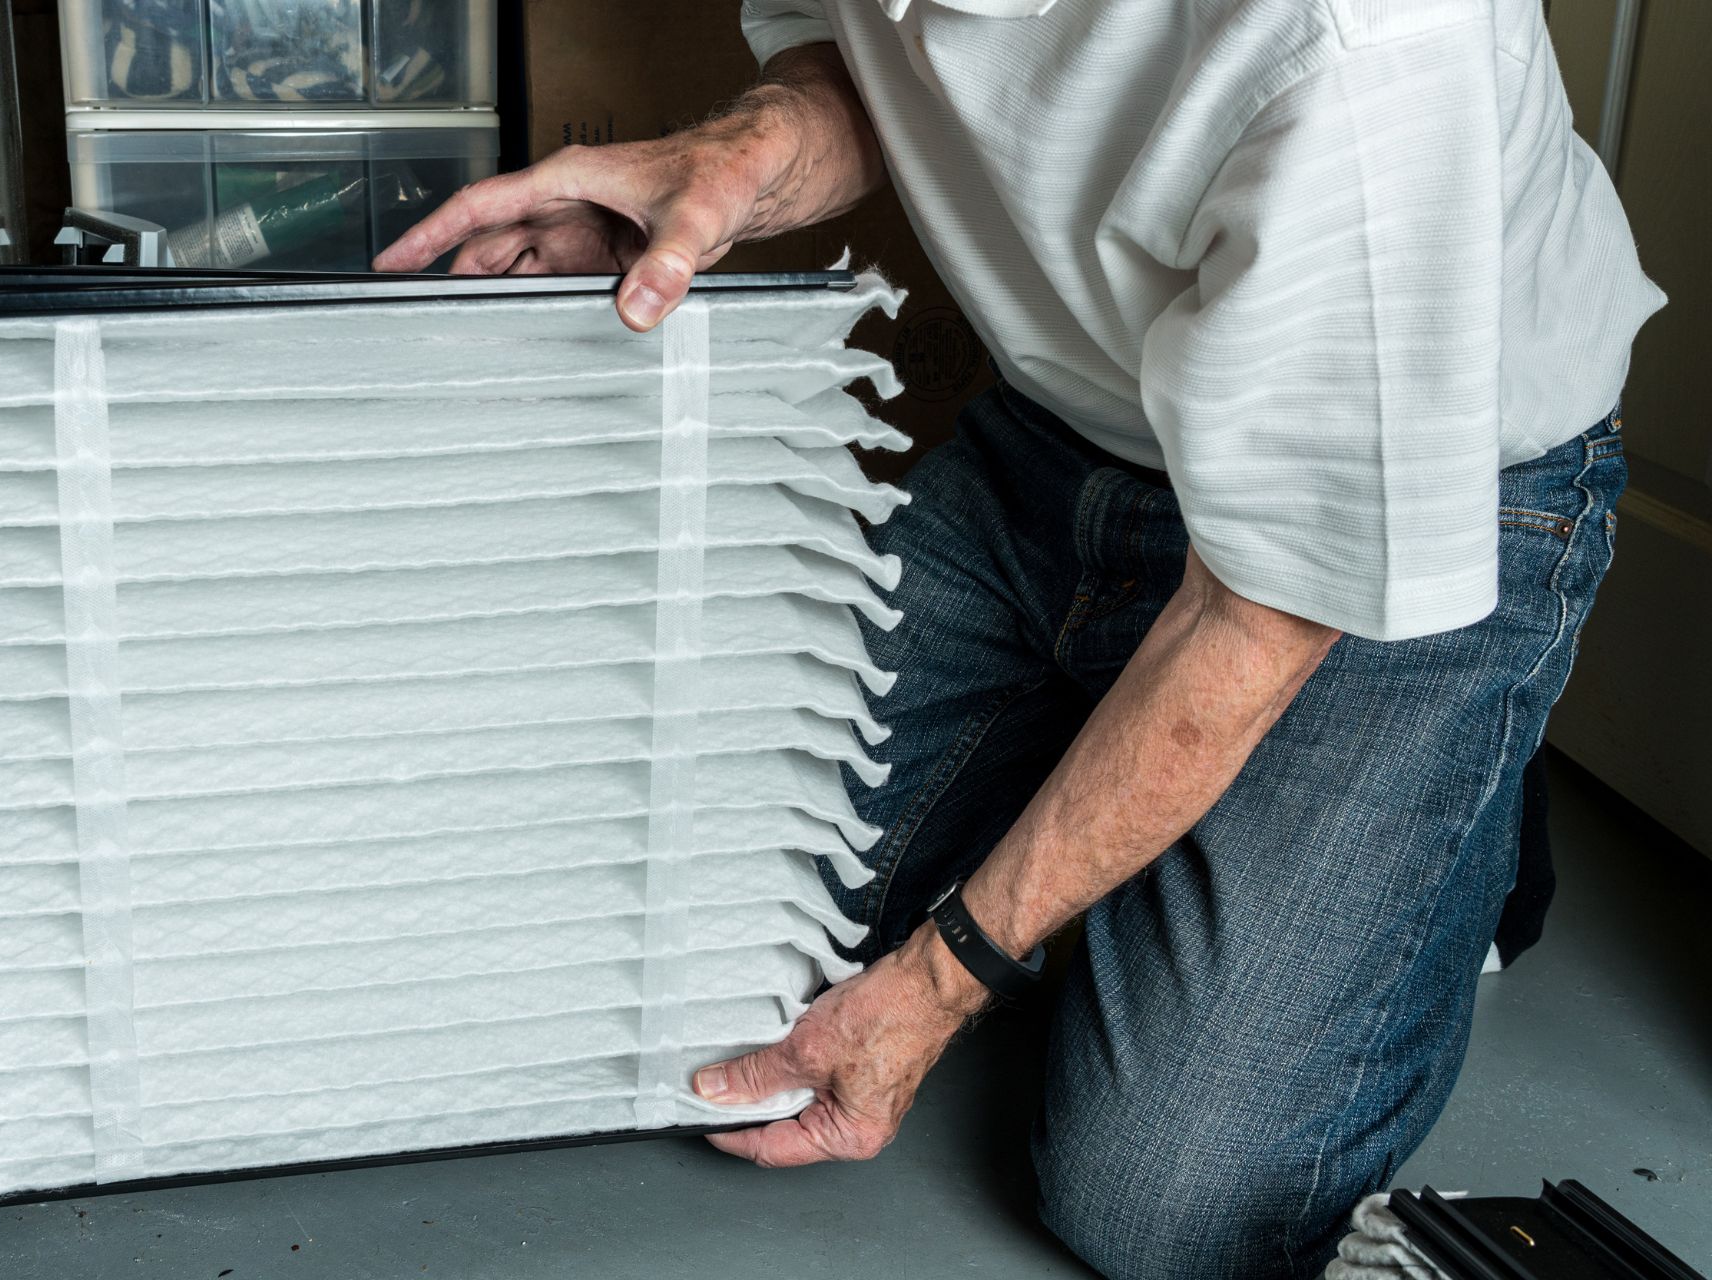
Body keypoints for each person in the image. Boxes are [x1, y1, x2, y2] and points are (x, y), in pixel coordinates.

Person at [375, 2, 1664, 1275]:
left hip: (1399, 504)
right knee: (684, 948)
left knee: (1167, 1211)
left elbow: (1261, 608)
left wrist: (945, 978)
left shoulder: (1367, 43)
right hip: (1060, 443)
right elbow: (885, 69)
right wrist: (737, 166)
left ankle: (1455, 779)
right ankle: (1181, 763)